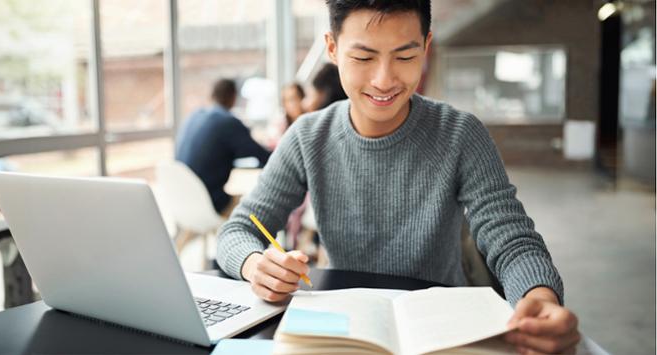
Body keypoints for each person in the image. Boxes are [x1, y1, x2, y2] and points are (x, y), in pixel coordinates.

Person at [216, 2, 580, 353]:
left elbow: (512, 240)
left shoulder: (461, 134)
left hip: (442, 329)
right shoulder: (308, 137)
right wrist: (255, 264)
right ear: (332, 47)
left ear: (426, 46)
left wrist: (539, 296)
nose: (384, 80)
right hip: (345, 329)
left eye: (405, 57)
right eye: (363, 57)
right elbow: (237, 232)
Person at [176, 78, 270, 216]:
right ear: (233, 97)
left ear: (212, 95)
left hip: (180, 200)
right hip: (210, 202)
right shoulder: (229, 123)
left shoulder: (194, 116)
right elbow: (264, 157)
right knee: (259, 205)